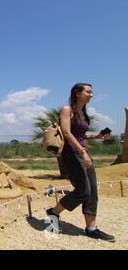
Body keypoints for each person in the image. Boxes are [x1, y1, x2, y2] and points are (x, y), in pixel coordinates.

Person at [46, 83, 115, 242]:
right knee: (83, 190)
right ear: (77, 93)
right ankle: (53, 212)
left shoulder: (83, 113)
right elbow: (67, 132)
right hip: (73, 153)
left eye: (92, 92)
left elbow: (80, 135)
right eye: (88, 92)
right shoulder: (67, 109)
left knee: (92, 192)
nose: (91, 95)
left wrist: (96, 136)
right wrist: (83, 153)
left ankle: (91, 228)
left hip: (83, 152)